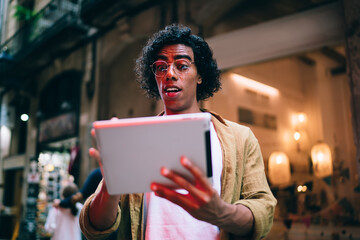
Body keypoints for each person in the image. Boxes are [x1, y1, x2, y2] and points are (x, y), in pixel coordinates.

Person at [80, 24, 277, 240]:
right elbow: (94, 228)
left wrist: (222, 213)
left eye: (182, 66)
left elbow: (263, 212)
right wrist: (111, 186)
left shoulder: (240, 139)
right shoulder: (135, 140)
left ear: (200, 75)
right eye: (161, 67)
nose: (170, 74)